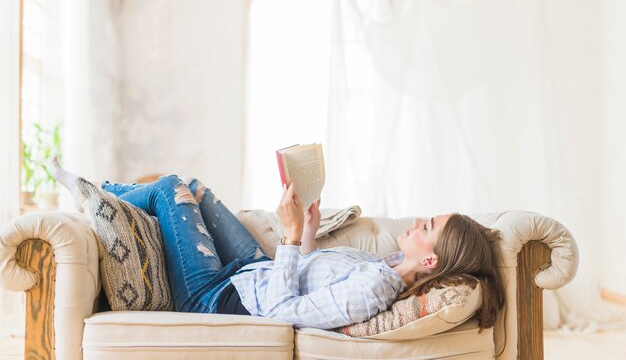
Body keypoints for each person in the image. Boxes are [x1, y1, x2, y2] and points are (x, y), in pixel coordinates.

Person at [50, 159, 505, 331]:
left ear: (429, 258)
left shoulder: (372, 291)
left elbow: (283, 313)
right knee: (195, 187)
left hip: (217, 297)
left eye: (425, 225)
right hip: (255, 272)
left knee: (170, 187)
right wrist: (307, 230)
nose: (416, 222)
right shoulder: (386, 265)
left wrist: (288, 238)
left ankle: (94, 194)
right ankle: (103, 195)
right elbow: (309, 276)